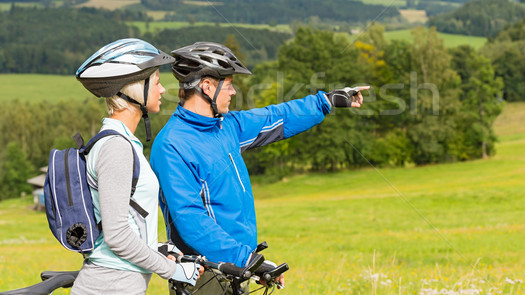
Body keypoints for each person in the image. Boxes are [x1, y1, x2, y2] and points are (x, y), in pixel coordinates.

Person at [150, 41, 368, 294]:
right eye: (229, 85)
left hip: (235, 267)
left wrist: (326, 102)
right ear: (207, 86)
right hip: (202, 273)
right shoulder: (173, 144)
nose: (233, 92)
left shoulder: (226, 127)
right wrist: (247, 260)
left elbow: (276, 117)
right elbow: (189, 219)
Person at [71, 38, 202, 295]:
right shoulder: (116, 148)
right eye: (156, 82)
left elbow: (130, 221)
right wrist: (173, 270)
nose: (163, 90)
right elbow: (117, 237)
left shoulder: (124, 143)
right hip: (109, 287)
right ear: (134, 89)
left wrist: (157, 248)